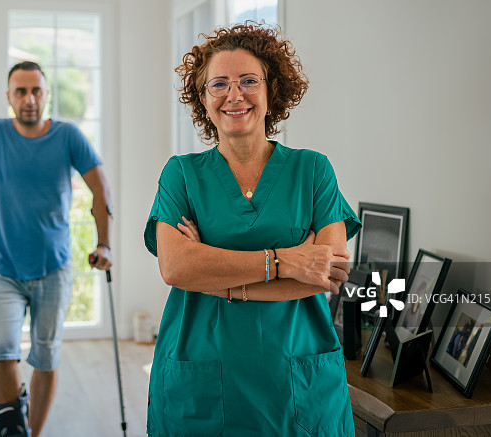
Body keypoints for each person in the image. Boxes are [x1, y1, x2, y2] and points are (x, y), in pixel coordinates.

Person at [144, 23, 361, 436]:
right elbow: (175, 268)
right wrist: (285, 261)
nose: (234, 94)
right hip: (203, 375)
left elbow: (326, 274)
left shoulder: (312, 170)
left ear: (270, 89)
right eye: (219, 84)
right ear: (203, 99)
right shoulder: (181, 175)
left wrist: (214, 279)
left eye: (248, 80)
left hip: (295, 378)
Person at [0, 61, 112, 437]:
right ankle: (11, 426)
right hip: (4, 269)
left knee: (46, 356)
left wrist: (104, 244)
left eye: (36, 90)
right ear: (9, 97)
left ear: (46, 95)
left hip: (54, 269)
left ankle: (33, 434)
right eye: (21, 91)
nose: (29, 99)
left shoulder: (68, 136)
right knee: (2, 351)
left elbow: (100, 188)